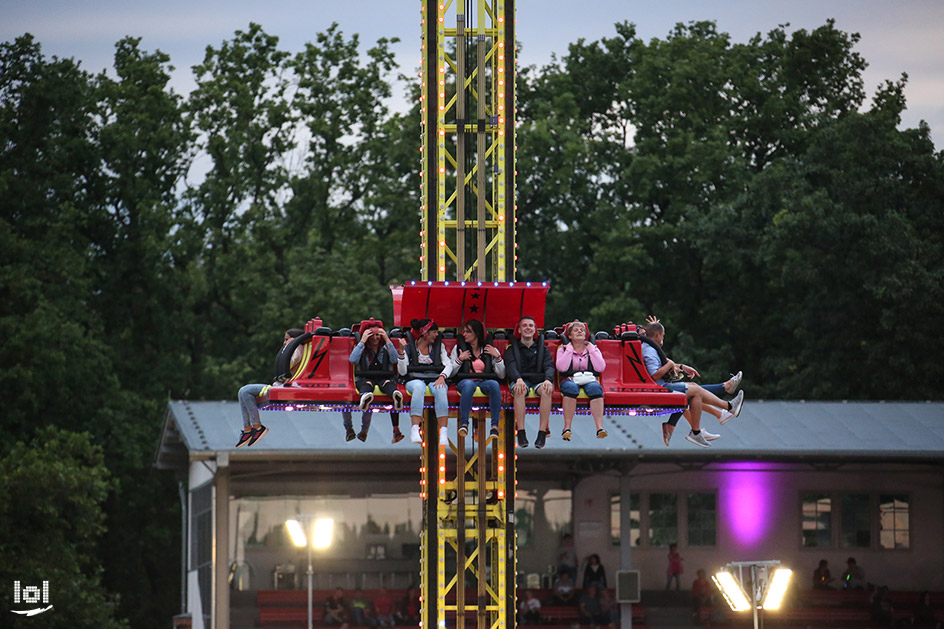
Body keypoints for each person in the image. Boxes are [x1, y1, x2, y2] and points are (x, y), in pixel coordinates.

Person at [642, 321, 744, 448]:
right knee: (695, 391)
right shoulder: (649, 350)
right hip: (660, 389)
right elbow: (654, 375)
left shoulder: (648, 348)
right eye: (663, 335)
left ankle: (702, 427)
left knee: (694, 388)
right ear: (657, 335)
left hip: (660, 386)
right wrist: (670, 364)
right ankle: (727, 405)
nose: (663, 338)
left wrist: (678, 366)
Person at [236, 328, 304, 448]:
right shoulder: (293, 350)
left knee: (246, 391)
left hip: (284, 387)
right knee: (242, 392)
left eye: (286, 339)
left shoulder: (297, 350)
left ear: (294, 339)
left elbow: (288, 364)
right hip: (279, 386)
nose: (284, 342)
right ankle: (248, 429)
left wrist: (287, 349)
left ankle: (257, 427)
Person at [397, 318, 452, 445]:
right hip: (415, 379)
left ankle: (443, 431)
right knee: (418, 387)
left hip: (434, 379)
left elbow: (448, 364)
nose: (437, 335)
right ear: (425, 333)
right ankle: (415, 428)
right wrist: (401, 353)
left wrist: (442, 376)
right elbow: (403, 371)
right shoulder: (410, 347)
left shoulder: (439, 347)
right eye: (434, 332)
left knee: (441, 388)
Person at [350, 319, 405, 443]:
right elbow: (353, 359)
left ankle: (396, 396)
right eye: (372, 335)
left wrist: (387, 339)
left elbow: (395, 359)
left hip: (384, 377)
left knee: (387, 384)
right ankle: (365, 397)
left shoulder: (385, 347)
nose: (375, 338)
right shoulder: (362, 348)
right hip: (365, 378)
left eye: (377, 335)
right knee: (367, 385)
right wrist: (362, 341)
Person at [504, 315, 555, 448]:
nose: (528, 328)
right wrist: (518, 379)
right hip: (520, 380)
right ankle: (521, 431)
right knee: (519, 390)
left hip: (538, 380)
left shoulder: (542, 349)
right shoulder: (511, 349)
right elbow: (510, 366)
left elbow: (549, 366)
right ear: (519, 330)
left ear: (535, 330)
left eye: (531, 326)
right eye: (525, 326)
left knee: (547, 390)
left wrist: (548, 380)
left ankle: (542, 432)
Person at [451, 319, 505, 438]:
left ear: (476, 334)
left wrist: (497, 357)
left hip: (483, 381)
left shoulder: (489, 349)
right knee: (469, 385)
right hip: (464, 382)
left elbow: (501, 375)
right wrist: (460, 359)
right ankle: (464, 424)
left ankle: (494, 427)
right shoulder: (458, 348)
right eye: (463, 331)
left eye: (468, 332)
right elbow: (451, 372)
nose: (464, 334)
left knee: (494, 385)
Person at [556, 320, 608, 440]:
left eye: (582, 330)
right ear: (569, 336)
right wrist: (569, 350)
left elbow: (600, 367)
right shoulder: (563, 349)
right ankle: (567, 427)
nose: (579, 331)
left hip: (589, 378)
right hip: (569, 379)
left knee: (596, 388)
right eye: (576, 330)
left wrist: (591, 349)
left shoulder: (592, 349)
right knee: (571, 388)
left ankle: (599, 427)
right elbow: (561, 367)